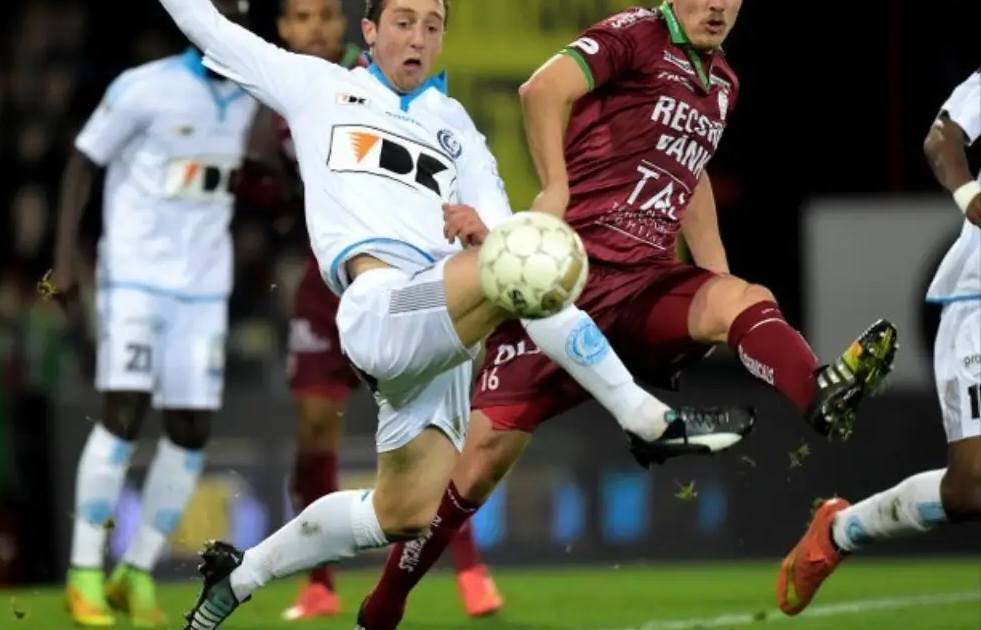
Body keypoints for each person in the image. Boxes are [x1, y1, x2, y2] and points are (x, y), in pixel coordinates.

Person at [154, 0, 753, 627]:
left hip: (442, 344)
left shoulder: (457, 127)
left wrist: (483, 230)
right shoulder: (316, 86)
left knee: (402, 513)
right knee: (529, 265)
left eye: (432, 26)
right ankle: (647, 419)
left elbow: (504, 231)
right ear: (369, 31)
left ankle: (241, 573)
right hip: (381, 306)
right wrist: (497, 246)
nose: (417, 38)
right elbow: (210, 29)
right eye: (403, 22)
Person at [355, 2, 901, 627]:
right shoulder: (637, 33)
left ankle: (818, 393)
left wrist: (715, 273)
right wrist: (555, 187)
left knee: (745, 298)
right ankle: (386, 600)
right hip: (566, 283)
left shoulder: (723, 81)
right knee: (478, 465)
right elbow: (541, 91)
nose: (717, 5)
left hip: (644, 284)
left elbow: (691, 174)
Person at [250, 0, 501, 620]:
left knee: (436, 441)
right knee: (315, 426)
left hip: (411, 281)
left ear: (350, 29)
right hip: (327, 281)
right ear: (282, 29)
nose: (313, 27)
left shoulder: (387, 95)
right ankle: (318, 582)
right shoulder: (285, 95)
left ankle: (468, 566)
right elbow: (259, 184)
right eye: (300, 17)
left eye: (322, 15)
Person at [48, 2, 258, 626]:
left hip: (204, 289)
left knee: (191, 429)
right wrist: (65, 258)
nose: (226, 18)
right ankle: (83, 571)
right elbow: (83, 161)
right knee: (123, 414)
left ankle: (134, 572)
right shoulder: (145, 87)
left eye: (237, 11)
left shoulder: (253, 95)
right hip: (136, 279)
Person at [775, 67, 981, 616]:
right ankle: (839, 532)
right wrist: (969, 195)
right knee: (971, 489)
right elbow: (942, 139)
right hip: (979, 300)